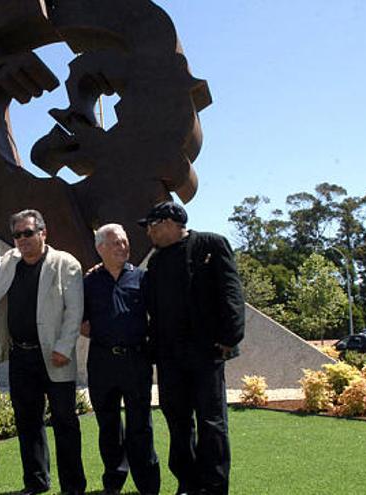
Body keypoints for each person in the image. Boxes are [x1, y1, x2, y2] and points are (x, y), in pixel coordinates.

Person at [139, 201, 245, 495]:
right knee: (178, 422)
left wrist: (229, 338)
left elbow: (231, 292)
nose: (149, 231)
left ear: (172, 222)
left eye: (152, 224)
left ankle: (213, 486)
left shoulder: (211, 244)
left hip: (206, 353)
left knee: (212, 423)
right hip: (170, 358)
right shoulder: (157, 261)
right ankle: (187, 482)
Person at [0, 209, 86, 495]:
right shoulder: (9, 262)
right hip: (21, 356)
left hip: (55, 357)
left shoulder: (64, 263)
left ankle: (73, 486)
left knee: (65, 423)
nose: (22, 239)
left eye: (28, 233)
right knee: (27, 423)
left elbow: (74, 310)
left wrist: (64, 347)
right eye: (17, 235)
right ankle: (36, 482)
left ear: (43, 233)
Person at [81, 224, 160, 495]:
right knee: (108, 427)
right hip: (101, 363)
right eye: (116, 243)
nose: (123, 247)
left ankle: (148, 486)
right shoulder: (89, 282)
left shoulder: (142, 278)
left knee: (140, 425)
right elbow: (80, 320)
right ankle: (113, 483)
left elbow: (157, 317)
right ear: (100, 248)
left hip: (135, 361)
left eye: (124, 242)